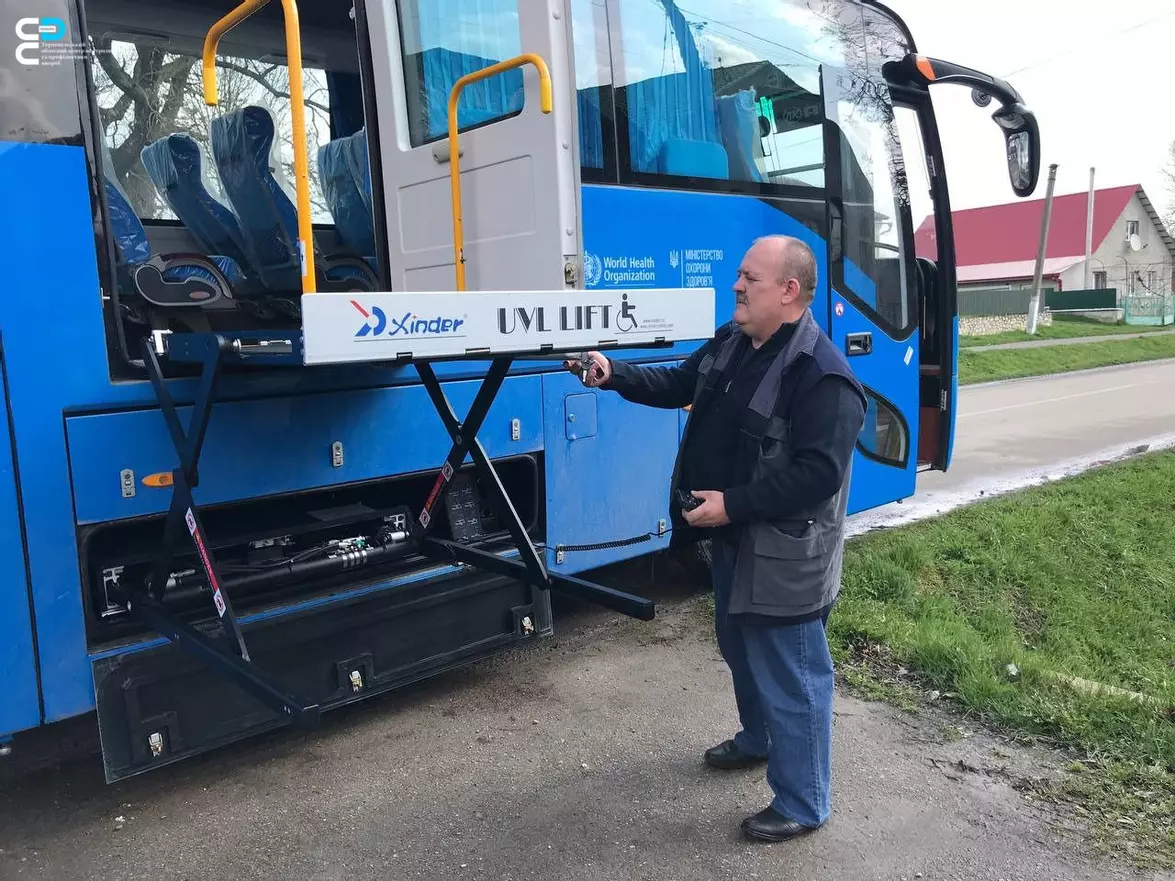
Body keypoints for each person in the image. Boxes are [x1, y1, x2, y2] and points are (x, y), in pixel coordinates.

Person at [564, 234, 866, 843]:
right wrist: (613, 373)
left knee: (793, 674)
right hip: (733, 538)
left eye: (750, 278)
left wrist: (733, 505)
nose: (736, 286)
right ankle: (759, 738)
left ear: (789, 291)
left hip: (784, 554)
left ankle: (804, 802)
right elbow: (680, 383)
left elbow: (818, 477)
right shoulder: (734, 340)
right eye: (739, 276)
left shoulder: (823, 377)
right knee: (740, 646)